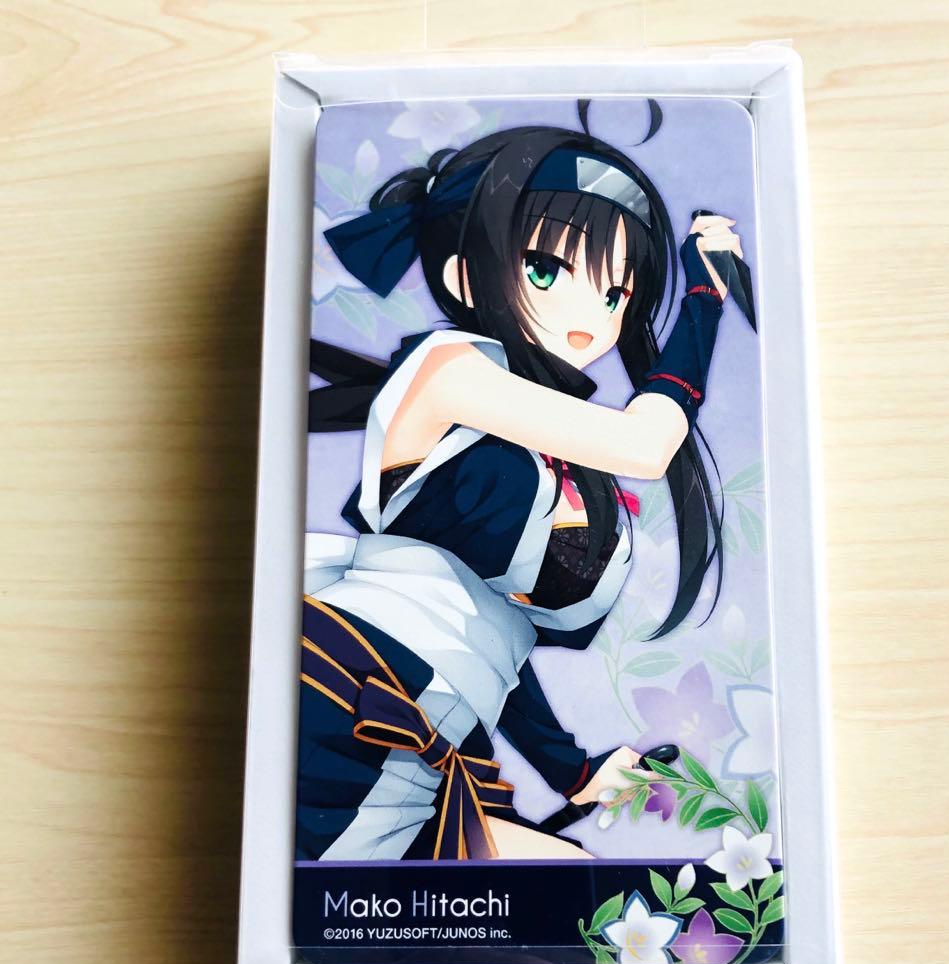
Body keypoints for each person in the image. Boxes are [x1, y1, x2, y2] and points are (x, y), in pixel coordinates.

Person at [296, 122, 746, 861]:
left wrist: (572, 772)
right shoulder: (449, 369)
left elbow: (489, 629)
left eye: (616, 294)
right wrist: (703, 299)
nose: (590, 324)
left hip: (433, 728)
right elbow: (644, 445)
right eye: (544, 271)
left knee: (569, 884)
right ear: (464, 279)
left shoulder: (534, 444)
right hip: (350, 692)